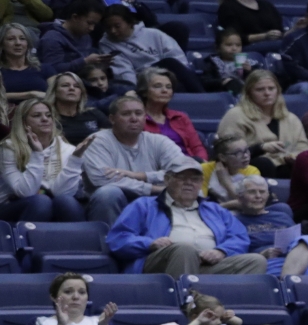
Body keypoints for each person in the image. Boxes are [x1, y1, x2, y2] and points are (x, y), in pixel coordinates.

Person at [106, 159, 268, 276]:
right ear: (167, 180)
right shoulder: (144, 205)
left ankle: (230, 312)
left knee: (256, 261)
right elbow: (117, 239)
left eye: (195, 179)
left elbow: (240, 238)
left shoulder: (214, 209)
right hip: (163, 264)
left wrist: (221, 250)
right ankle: (185, 306)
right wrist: (149, 243)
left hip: (207, 266)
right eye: (182, 178)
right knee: (184, 249)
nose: (189, 183)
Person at [82, 96, 185, 225]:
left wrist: (142, 176)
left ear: (145, 117)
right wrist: (154, 188)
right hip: (116, 202)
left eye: (139, 113)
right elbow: (103, 180)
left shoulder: (160, 141)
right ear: (112, 119)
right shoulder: (97, 141)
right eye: (126, 114)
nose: (134, 119)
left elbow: (183, 172)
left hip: (152, 201)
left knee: (186, 190)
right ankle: (108, 241)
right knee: (108, 192)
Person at [0, 99, 88, 223]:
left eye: (48, 115)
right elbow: (25, 192)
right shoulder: (9, 148)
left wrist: (75, 160)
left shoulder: (68, 150)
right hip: (11, 207)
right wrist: (37, 154)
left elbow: (62, 193)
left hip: (52, 203)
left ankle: (83, 240)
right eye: (37, 116)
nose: (45, 119)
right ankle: (26, 242)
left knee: (66, 201)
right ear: (23, 122)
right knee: (41, 201)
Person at [234, 176, 308, 276]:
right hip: (268, 264)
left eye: (262, 192)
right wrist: (261, 256)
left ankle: (286, 282)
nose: (258, 196)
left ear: (267, 195)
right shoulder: (235, 222)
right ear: (240, 197)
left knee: (307, 240)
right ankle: (290, 281)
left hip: (294, 258)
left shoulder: (282, 216)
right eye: (252, 192)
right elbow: (234, 258)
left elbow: (302, 246)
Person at [100, 6, 205, 94]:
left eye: (117, 26)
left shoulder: (153, 34)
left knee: (177, 72)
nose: (113, 31)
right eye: (108, 28)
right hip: (141, 79)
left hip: (167, 75)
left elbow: (176, 55)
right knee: (169, 63)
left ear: (130, 22)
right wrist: (133, 91)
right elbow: (123, 70)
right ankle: (203, 96)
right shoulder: (106, 44)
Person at [138, 68, 206, 161]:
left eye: (168, 87)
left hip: (190, 166)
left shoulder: (180, 117)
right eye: (157, 86)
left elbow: (197, 147)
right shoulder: (137, 119)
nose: (164, 90)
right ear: (144, 91)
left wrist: (202, 163)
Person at [38, 0, 109, 79]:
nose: (92, 28)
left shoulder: (86, 36)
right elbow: (53, 69)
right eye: (89, 23)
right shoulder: (52, 38)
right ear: (75, 17)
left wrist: (101, 63)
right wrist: (85, 61)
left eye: (94, 24)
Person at [45, 72, 107, 147]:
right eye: (65, 85)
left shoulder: (94, 113)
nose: (71, 88)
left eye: (77, 86)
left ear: (81, 92)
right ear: (54, 91)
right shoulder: (47, 118)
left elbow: (110, 138)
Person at [201, 134, 260, 209]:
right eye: (238, 153)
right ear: (222, 157)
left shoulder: (252, 171)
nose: (245, 155)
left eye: (246, 150)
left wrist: (226, 182)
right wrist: (233, 204)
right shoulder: (204, 169)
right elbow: (201, 204)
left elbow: (249, 203)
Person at [0, 25, 48, 105]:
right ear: (2, 44)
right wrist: (31, 94)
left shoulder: (44, 68)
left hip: (42, 115)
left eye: (22, 39)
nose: (18, 43)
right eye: (11, 39)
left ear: (28, 44)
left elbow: (57, 93)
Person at [201, 29, 257, 94]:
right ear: (217, 48)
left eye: (238, 45)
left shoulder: (250, 63)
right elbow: (206, 81)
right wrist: (223, 81)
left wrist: (249, 71)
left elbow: (258, 81)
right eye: (229, 45)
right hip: (224, 93)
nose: (234, 48)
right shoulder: (212, 62)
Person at [217, 0, 287, 51]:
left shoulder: (267, 5)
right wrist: (264, 36)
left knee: (293, 42)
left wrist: (295, 28)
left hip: (274, 42)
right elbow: (234, 37)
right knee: (289, 45)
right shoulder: (228, 6)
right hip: (246, 46)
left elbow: (281, 33)